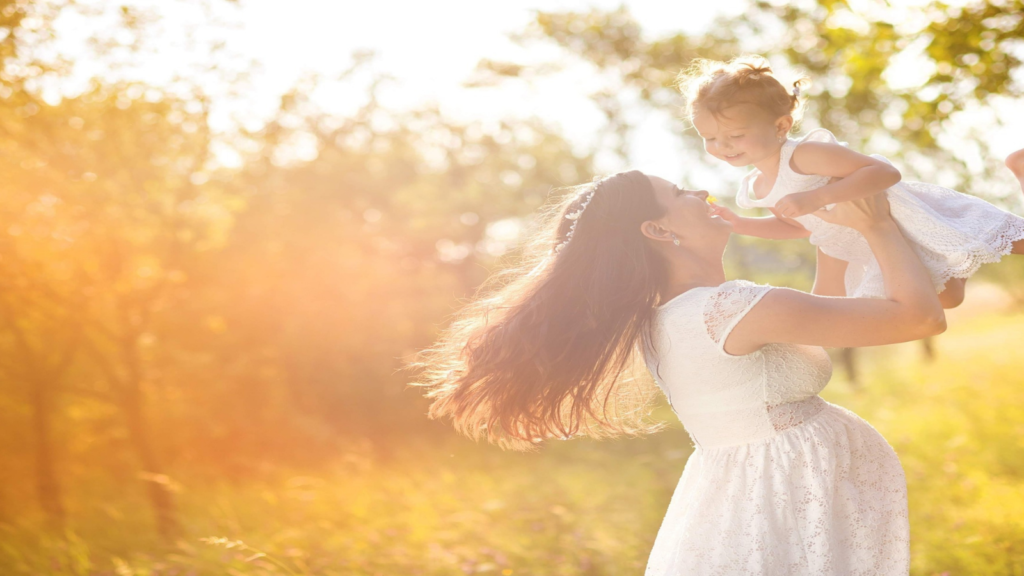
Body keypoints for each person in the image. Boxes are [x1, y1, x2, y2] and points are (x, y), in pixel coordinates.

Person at [415, 169, 945, 574]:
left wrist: (831, 238)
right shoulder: (729, 307)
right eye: (681, 193)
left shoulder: (669, 318)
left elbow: (822, 325)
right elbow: (920, 317)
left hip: (752, 500)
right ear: (658, 228)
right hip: (777, 502)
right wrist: (875, 224)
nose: (702, 194)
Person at [678, 56, 1024, 309]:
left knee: (1013, 239)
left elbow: (884, 173)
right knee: (947, 299)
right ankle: (954, 257)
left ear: (781, 126)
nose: (722, 147)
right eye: (709, 138)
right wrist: (741, 225)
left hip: (906, 218)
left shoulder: (805, 155)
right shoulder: (758, 187)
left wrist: (821, 196)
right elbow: (798, 227)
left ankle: (1018, 168)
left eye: (735, 135)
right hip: (871, 241)